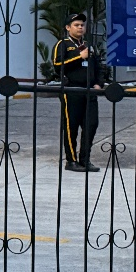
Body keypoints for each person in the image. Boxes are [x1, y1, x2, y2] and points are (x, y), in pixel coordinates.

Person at [52, 13, 105, 172]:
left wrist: (98, 83)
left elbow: (98, 67)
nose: (80, 27)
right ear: (68, 28)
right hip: (71, 90)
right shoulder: (63, 44)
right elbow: (57, 65)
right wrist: (78, 57)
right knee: (71, 127)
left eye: (82, 24)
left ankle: (85, 159)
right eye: (76, 25)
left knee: (91, 124)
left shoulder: (89, 46)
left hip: (89, 91)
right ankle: (71, 160)